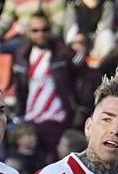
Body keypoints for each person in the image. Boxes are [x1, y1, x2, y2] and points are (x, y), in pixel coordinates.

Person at [11, 12, 76, 160]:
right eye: (35, 30)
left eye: (45, 29)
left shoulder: (63, 52)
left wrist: (80, 108)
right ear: (28, 31)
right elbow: (19, 87)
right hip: (31, 121)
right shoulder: (22, 55)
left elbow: (87, 75)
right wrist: (18, 114)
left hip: (57, 120)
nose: (40, 34)